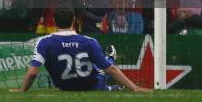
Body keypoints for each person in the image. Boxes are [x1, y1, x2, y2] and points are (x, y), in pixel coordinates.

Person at [13, 7, 150, 92]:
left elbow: (32, 74)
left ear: (54, 21)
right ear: (73, 20)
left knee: (99, 70)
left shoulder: (44, 42)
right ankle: (111, 60)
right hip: (92, 83)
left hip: (65, 86)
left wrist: (21, 90)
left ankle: (110, 70)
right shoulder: (89, 41)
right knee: (102, 70)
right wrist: (135, 88)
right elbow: (111, 70)